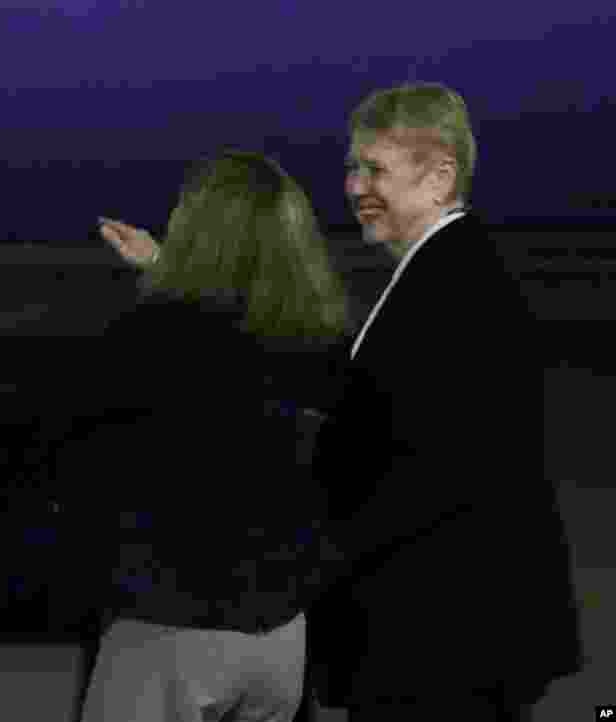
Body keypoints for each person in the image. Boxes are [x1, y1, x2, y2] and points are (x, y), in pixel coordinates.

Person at [104, 83, 584, 722]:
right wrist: (171, 270)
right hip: (461, 631)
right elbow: (325, 384)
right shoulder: (448, 271)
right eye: (353, 168)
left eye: (376, 170)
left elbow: (421, 473)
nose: (356, 187)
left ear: (440, 179)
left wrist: (293, 570)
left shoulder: (455, 289)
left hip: (443, 640)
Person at [0, 149, 352, 722]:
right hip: (281, 647)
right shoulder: (322, 346)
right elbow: (236, 346)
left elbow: (14, 387)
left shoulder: (157, 339)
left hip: (172, 637)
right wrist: (165, 267)